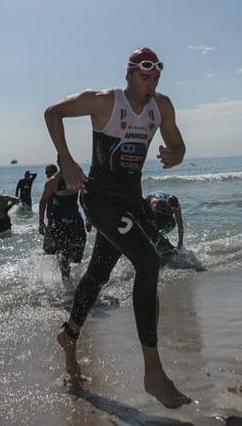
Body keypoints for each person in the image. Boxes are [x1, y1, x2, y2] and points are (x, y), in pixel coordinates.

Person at [46, 46, 191, 409]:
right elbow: (53, 113)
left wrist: (176, 154)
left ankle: (69, 334)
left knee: (97, 274)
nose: (151, 84)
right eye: (145, 77)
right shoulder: (104, 102)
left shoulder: (162, 107)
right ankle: (153, 373)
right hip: (100, 199)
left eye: (156, 77)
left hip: (131, 201)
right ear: (129, 75)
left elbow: (177, 144)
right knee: (149, 261)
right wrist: (65, 158)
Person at [39, 163, 91, 283]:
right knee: (59, 251)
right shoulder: (52, 183)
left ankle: (71, 273)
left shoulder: (76, 175)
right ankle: (64, 279)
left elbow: (85, 195)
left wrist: (89, 217)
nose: (48, 174)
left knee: (76, 251)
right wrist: (42, 222)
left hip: (73, 219)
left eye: (49, 171)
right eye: (46, 172)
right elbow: (43, 202)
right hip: (56, 220)